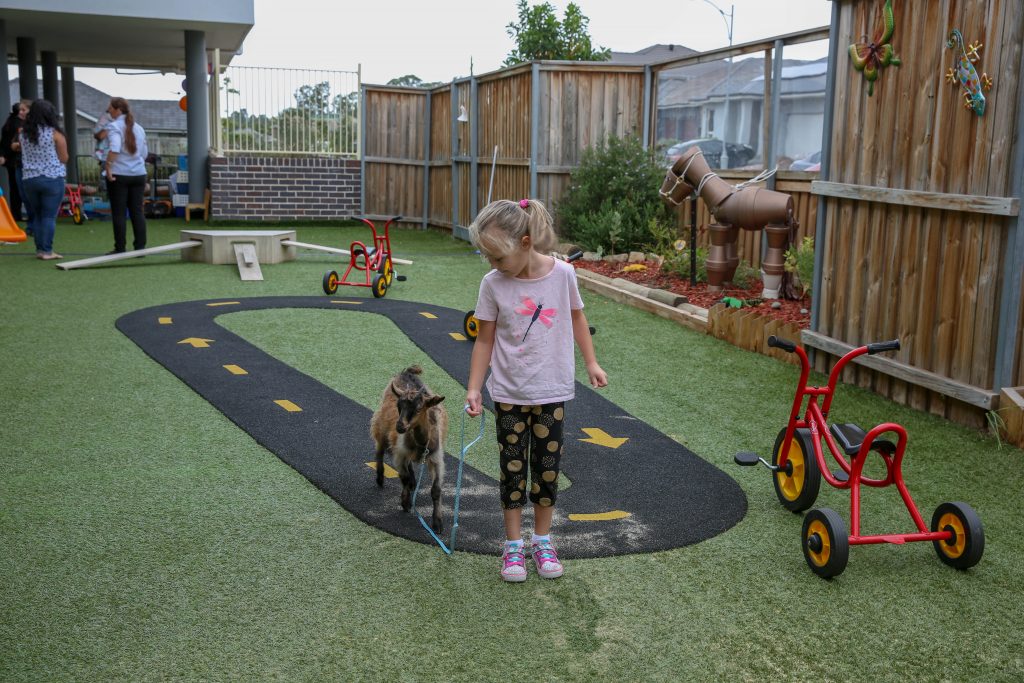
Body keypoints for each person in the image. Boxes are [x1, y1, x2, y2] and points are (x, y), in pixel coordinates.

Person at [465, 198, 608, 583]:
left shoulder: (563, 275)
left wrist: (592, 362)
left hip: (551, 392)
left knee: (547, 471)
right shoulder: (492, 283)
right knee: (512, 469)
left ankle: (542, 541)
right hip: (509, 394)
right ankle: (513, 546)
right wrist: (475, 388)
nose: (493, 264)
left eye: (498, 257)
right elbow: (483, 340)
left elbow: (577, 318)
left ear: (525, 242)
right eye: (488, 257)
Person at [16, 99, 67, 260]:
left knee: (37, 215)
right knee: (49, 216)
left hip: (29, 179)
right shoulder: (55, 134)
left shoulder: (23, 134)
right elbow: (64, 158)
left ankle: (40, 249)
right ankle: (47, 251)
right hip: (52, 178)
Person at [103, 97, 148, 254]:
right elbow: (144, 153)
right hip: (139, 174)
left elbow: (115, 148)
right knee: (137, 211)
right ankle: (140, 248)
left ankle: (120, 248)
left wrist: (108, 166)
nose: (109, 111)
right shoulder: (139, 128)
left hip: (119, 175)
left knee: (119, 213)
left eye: (110, 109)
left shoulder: (114, 126)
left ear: (118, 110)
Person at [1, 100, 31, 224]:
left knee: (14, 188)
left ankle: (15, 214)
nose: (22, 112)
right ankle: (20, 215)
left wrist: (3, 155)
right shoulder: (21, 125)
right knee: (21, 189)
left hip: (10, 160)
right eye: (21, 110)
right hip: (18, 160)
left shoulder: (9, 122)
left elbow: (4, 141)